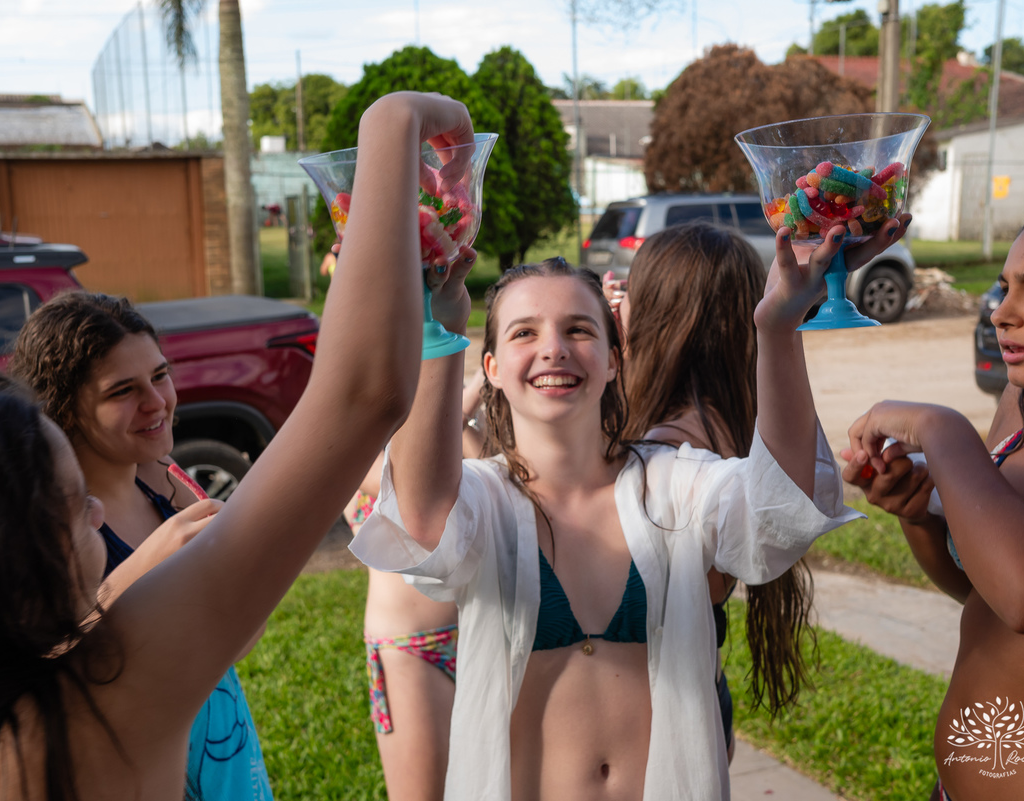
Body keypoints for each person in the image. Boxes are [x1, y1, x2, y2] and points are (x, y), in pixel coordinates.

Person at [0, 90, 473, 801]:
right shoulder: (94, 709)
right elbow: (361, 395)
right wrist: (392, 123)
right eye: (67, 502)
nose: (94, 516)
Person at [351, 215, 911, 799]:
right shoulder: (485, 501)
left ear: (615, 358)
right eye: (523, 333)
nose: (554, 348)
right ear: (490, 368)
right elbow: (420, 523)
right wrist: (440, 334)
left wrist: (776, 328)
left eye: (579, 330)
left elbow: (783, 512)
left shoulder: (673, 484)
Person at [842, 193, 1024, 801]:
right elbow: (986, 592)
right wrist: (920, 517)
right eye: (1005, 287)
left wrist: (943, 431)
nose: (1002, 313)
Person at [9, 291, 271, 799]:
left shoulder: (166, 479)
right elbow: (38, 672)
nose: (157, 402)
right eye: (121, 391)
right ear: (63, 406)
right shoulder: (49, 526)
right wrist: (143, 566)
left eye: (159, 375)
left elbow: (221, 645)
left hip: (222, 747)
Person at [618, 220, 817, 763]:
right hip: (704, 700)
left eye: (633, 295)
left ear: (652, 316)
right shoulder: (736, 424)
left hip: (655, 728)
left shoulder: (663, 455)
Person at [355, 369, 485, 801]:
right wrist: (467, 395)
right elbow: (411, 482)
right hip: (413, 650)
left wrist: (462, 403)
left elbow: (496, 475)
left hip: (486, 637)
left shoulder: (465, 409)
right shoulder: (360, 426)